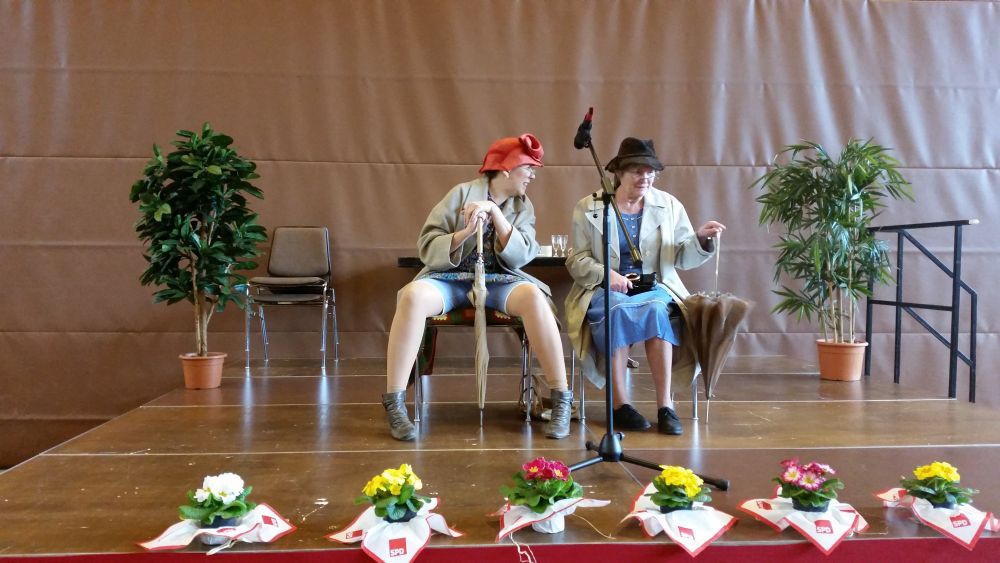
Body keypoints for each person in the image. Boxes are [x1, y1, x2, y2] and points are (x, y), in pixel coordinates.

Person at [382, 134, 574, 441]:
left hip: (500, 280)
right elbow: (427, 247)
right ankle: (394, 403)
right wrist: (466, 232)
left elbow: (524, 254)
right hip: (450, 279)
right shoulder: (459, 194)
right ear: (508, 168)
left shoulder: (522, 206)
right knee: (413, 296)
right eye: (529, 168)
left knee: (534, 297)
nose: (533, 175)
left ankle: (562, 399)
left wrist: (496, 215)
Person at [564, 137, 725, 435]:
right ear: (619, 173)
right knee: (617, 310)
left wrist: (701, 239)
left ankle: (666, 406)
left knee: (656, 309)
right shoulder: (590, 206)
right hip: (605, 289)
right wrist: (606, 274)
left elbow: (682, 257)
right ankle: (620, 406)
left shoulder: (669, 205)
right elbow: (577, 260)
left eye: (651, 171)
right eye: (637, 171)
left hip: (655, 287)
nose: (645, 177)